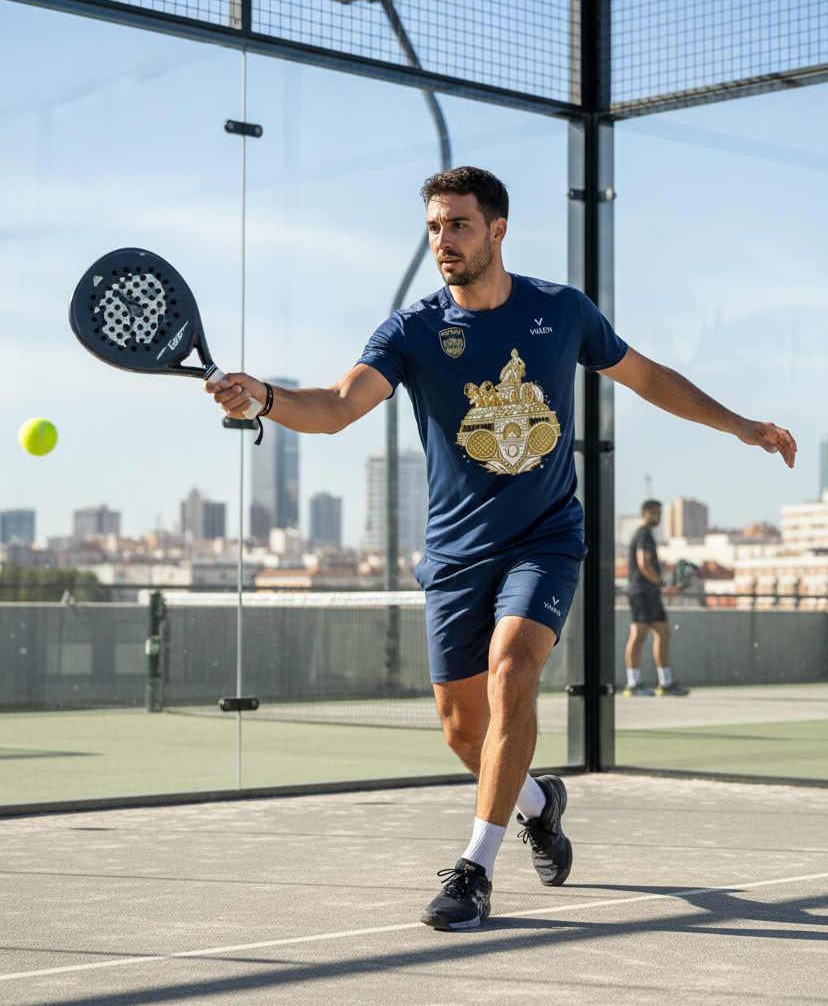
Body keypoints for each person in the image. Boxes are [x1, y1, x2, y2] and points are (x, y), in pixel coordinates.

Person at [207, 166, 797, 930]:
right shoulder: (412, 329)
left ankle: (474, 872)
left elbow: (648, 377)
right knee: (462, 729)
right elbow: (339, 407)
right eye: (433, 228)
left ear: (497, 230)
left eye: (457, 225)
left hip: (545, 540)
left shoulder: (562, 311)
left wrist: (742, 425)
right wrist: (268, 399)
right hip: (454, 555)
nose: (442, 241)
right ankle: (538, 801)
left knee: (513, 669)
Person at [623, 500, 687, 696]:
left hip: (650, 594)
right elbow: (644, 564)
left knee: (663, 632)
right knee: (638, 636)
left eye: (660, 513)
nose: (658, 517)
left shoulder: (648, 535)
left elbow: (649, 565)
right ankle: (633, 685)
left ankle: (665, 684)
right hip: (641, 593)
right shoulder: (643, 534)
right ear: (644, 514)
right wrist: (662, 585)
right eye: (654, 513)